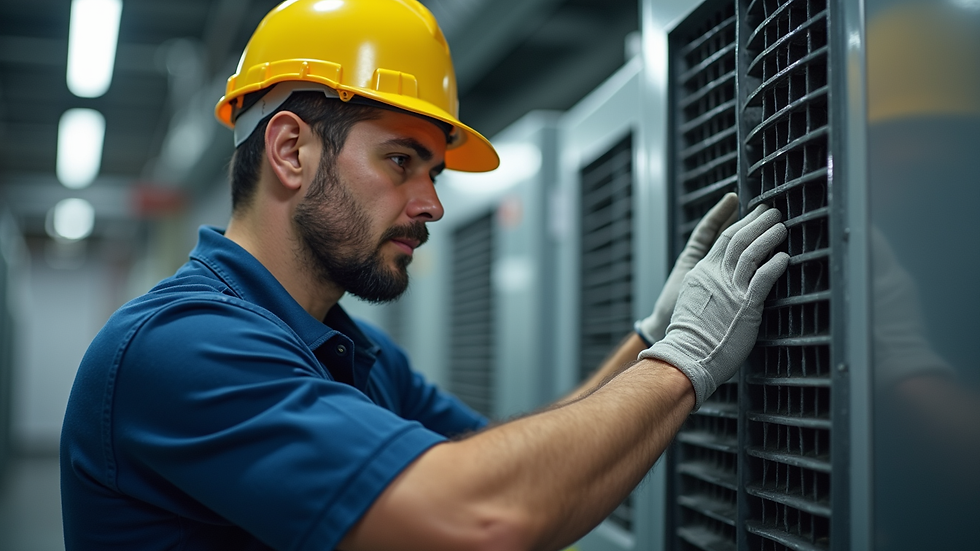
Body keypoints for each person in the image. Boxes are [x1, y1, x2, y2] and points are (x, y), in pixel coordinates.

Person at [60, 0, 789, 549]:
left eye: (433, 172)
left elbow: (507, 456)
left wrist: (649, 339)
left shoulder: (348, 351)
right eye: (402, 161)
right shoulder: (180, 347)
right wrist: (685, 361)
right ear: (290, 152)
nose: (433, 203)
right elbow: (487, 512)